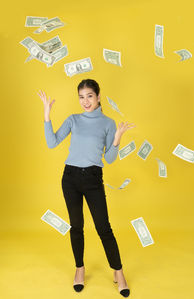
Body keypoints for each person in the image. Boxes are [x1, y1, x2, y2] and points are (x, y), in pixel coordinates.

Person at [37, 79, 135, 297]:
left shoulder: (109, 123)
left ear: (98, 97)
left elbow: (109, 159)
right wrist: (46, 115)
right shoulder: (73, 119)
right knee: (76, 226)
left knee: (104, 228)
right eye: (81, 97)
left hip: (93, 178)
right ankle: (79, 268)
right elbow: (52, 142)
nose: (85, 101)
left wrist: (118, 138)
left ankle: (118, 272)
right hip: (70, 178)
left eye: (89, 96)